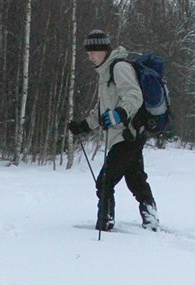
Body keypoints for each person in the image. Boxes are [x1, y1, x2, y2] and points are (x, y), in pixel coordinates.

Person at [68, 30, 159, 232]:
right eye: (88, 53)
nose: (89, 56)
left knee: (105, 180)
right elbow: (102, 110)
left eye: (92, 52)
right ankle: (151, 219)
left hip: (128, 135)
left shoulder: (119, 68)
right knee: (135, 179)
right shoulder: (105, 73)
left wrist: (120, 113)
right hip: (127, 135)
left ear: (103, 50)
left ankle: (105, 222)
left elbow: (134, 96)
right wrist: (84, 125)